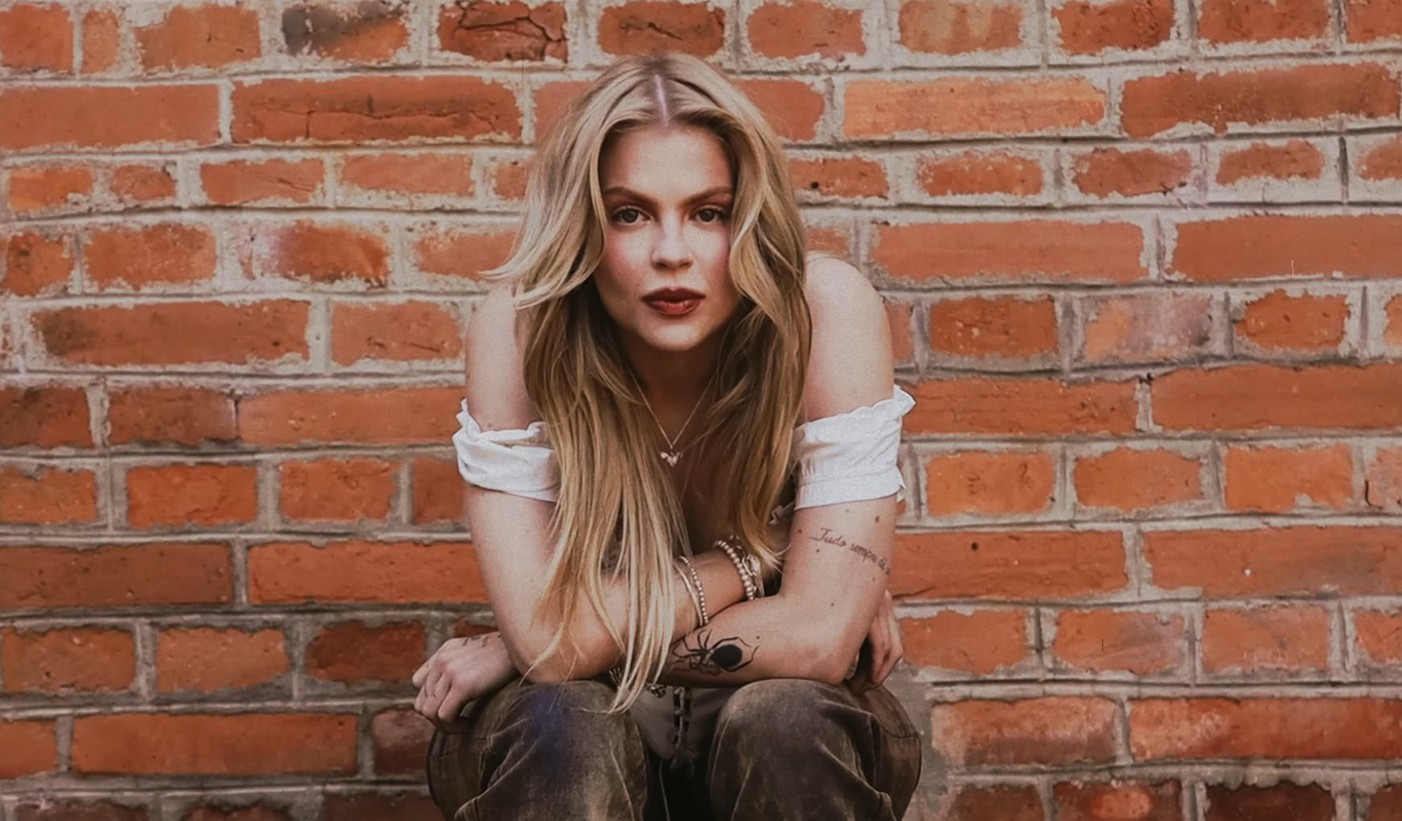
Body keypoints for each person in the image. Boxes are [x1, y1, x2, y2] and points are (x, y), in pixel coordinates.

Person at [412, 52, 921, 821]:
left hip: (781, 713)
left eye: (708, 212)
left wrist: (548, 645)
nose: (672, 252)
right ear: (583, 224)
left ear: (748, 218)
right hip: (575, 720)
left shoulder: (822, 314)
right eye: (630, 213)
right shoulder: (522, 329)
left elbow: (817, 642)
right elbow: (553, 652)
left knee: (788, 721)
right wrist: (762, 555)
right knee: (562, 725)